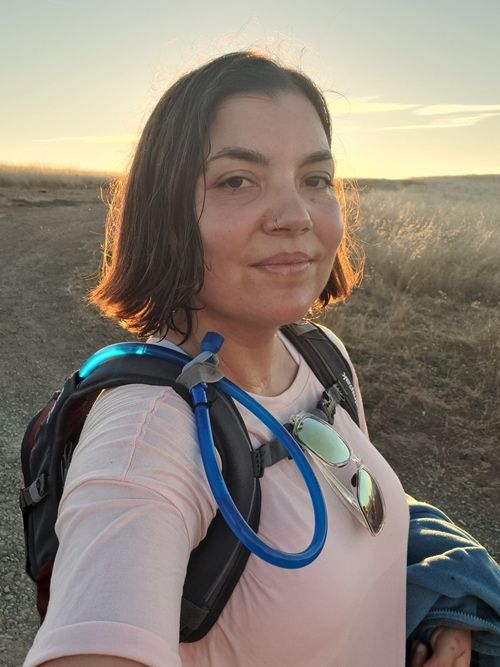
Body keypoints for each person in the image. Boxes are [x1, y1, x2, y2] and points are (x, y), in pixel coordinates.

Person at [24, 51, 482, 667]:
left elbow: (351, 514)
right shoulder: (145, 440)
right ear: (165, 213)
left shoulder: (320, 356)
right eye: (237, 180)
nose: (296, 216)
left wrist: (440, 612)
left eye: (315, 179)